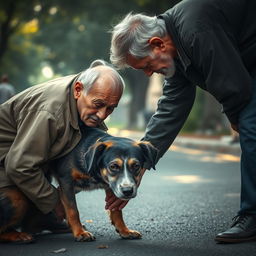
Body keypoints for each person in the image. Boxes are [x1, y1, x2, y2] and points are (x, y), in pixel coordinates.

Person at [108, 0, 256, 244]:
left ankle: (252, 214)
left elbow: (233, 85)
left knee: (251, 126)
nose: (148, 74)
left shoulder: (195, 30)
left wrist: (235, 117)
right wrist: (141, 163)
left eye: (146, 66)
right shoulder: (173, 45)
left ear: (157, 45)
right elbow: (171, 107)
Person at [0, 59, 125, 243]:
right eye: (98, 104)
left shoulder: (82, 98)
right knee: (17, 202)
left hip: (18, 163)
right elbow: (20, 166)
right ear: (78, 90)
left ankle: (39, 218)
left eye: (110, 108)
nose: (102, 115)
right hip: (7, 166)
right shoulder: (51, 113)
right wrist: (55, 202)